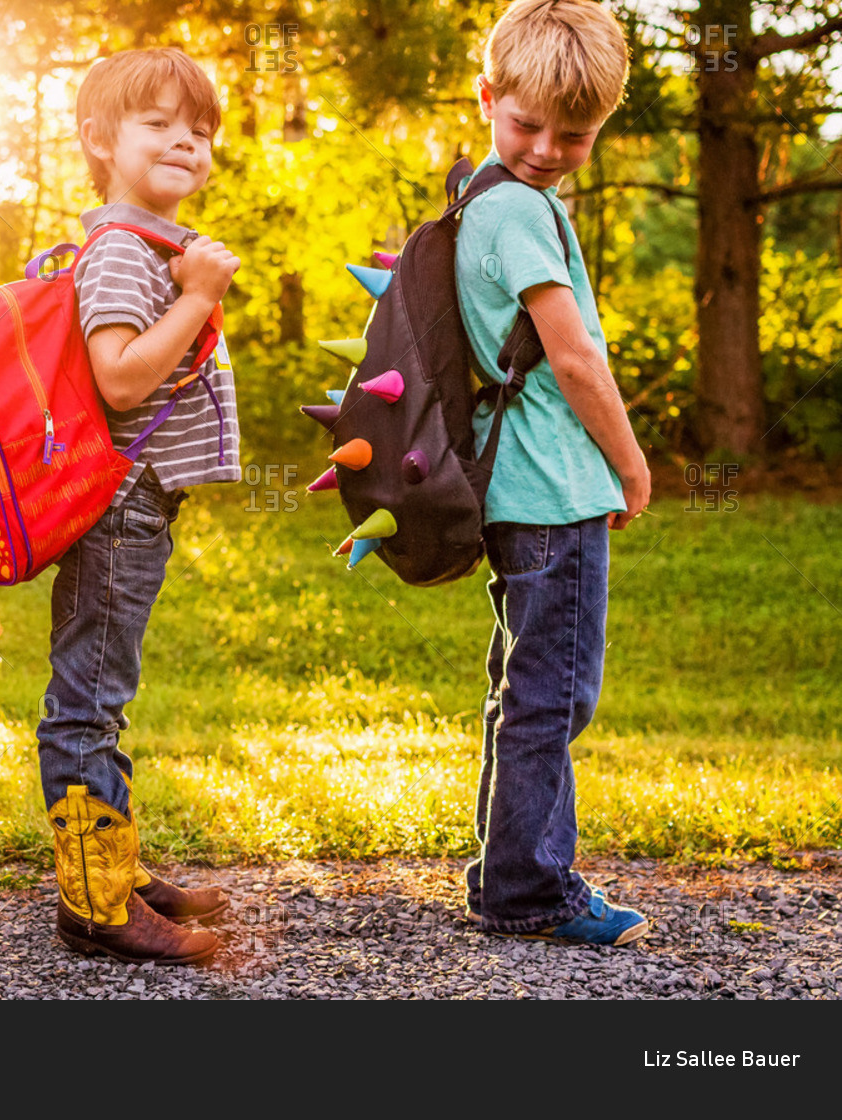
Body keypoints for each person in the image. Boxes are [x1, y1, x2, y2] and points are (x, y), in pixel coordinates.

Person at [35, 48, 241, 965]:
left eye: (198, 130)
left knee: (104, 694)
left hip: (137, 506)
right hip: (118, 503)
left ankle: (111, 864)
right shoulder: (123, 250)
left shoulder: (148, 241)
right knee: (87, 701)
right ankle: (95, 902)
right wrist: (198, 298)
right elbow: (120, 378)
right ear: (98, 139)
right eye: (157, 124)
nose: (185, 142)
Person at [456, 0, 652, 945]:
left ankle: (506, 872)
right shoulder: (519, 213)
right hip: (552, 493)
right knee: (553, 694)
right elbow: (573, 358)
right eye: (525, 125)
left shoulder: (485, 200)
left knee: (525, 687)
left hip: (517, 492)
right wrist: (630, 462)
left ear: (601, 125)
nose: (544, 148)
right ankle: (532, 890)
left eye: (572, 135)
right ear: (487, 96)